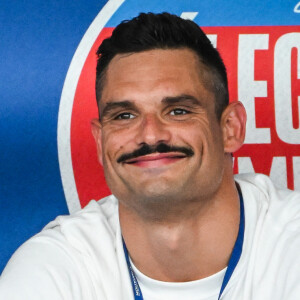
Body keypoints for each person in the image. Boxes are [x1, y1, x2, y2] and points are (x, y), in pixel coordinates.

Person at [0, 12, 299, 300]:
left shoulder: (290, 245)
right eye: (125, 115)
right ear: (101, 140)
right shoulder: (56, 266)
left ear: (230, 128)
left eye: (178, 111)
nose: (151, 135)